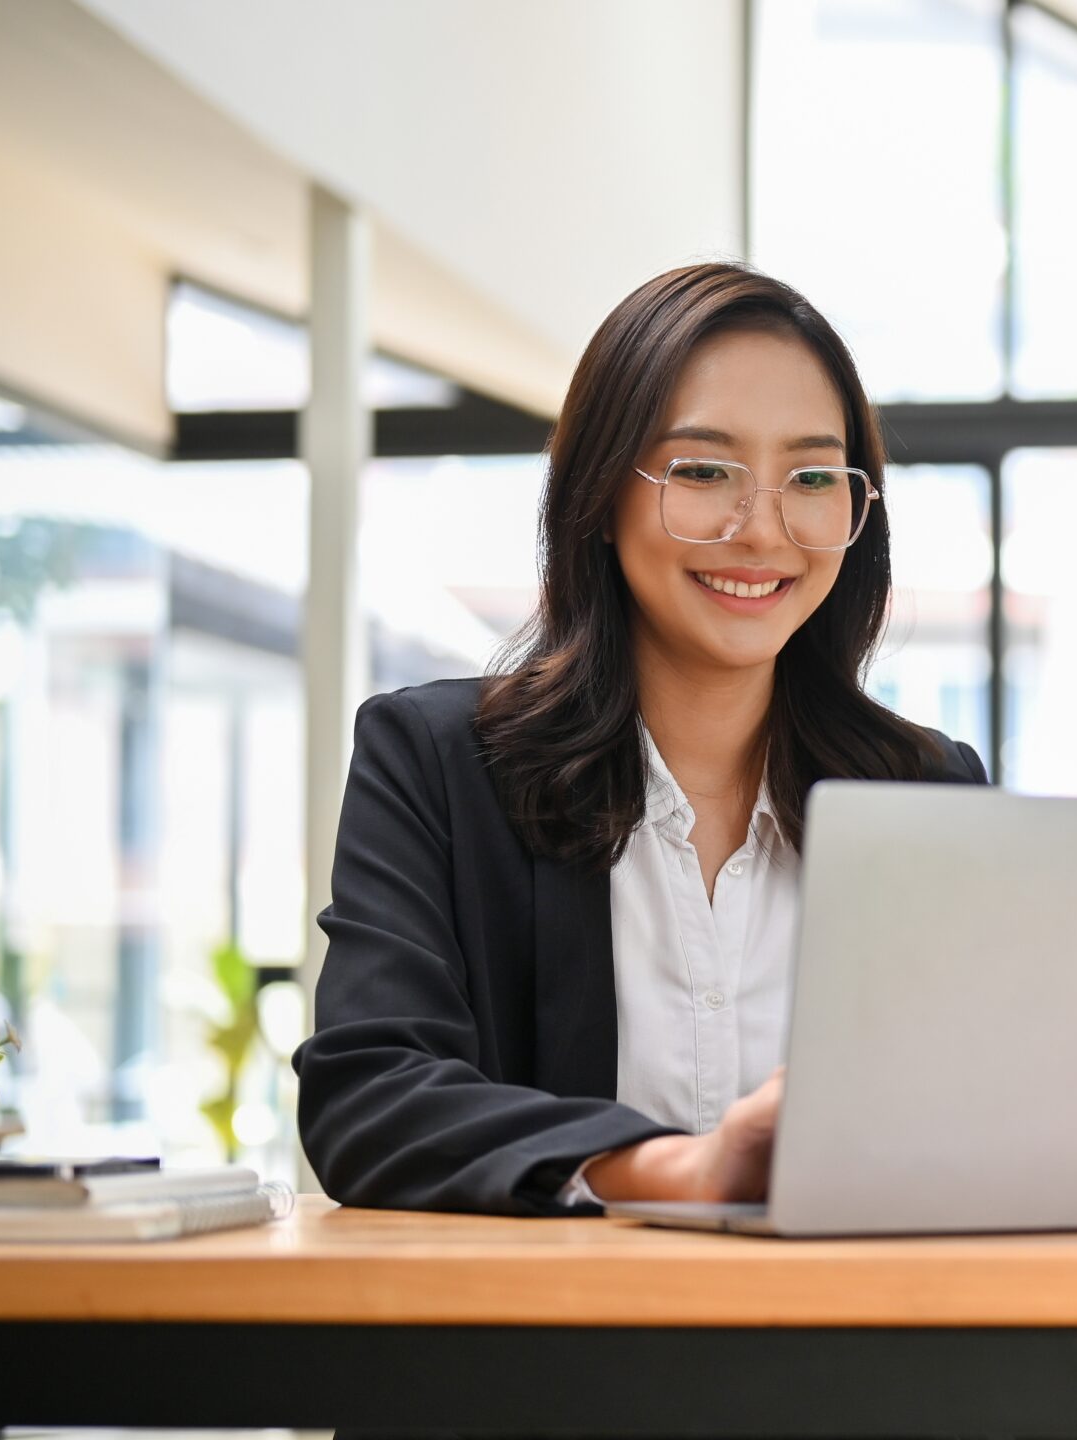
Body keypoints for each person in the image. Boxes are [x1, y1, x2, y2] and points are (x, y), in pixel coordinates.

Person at [293, 263, 987, 1215]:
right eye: (704, 471)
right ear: (600, 495)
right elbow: (370, 1100)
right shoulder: (438, 763)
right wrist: (679, 1169)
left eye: (813, 477)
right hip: (548, 1348)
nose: (762, 529)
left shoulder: (928, 797)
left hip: (860, 1346)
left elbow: (990, 1115)